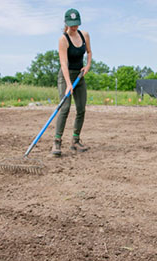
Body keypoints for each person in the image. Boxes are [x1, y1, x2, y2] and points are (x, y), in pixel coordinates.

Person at [52, 8, 92, 156]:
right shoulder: (63, 39)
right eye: (71, 24)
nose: (74, 27)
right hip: (66, 75)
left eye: (76, 24)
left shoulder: (85, 35)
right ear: (66, 23)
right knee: (65, 107)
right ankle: (57, 142)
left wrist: (87, 65)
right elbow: (63, 64)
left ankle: (75, 140)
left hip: (80, 76)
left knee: (81, 108)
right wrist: (68, 84)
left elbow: (89, 52)